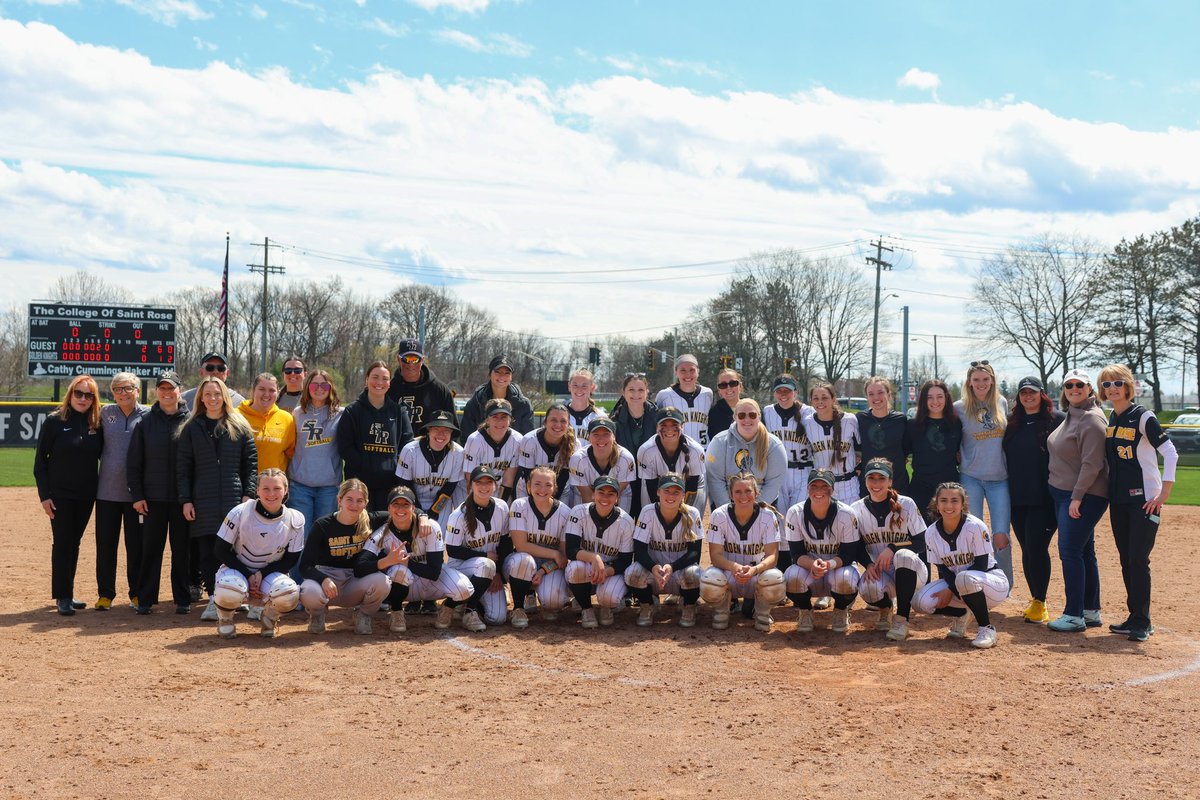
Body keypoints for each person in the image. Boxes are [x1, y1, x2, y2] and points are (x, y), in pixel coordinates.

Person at [1099, 364, 1177, 642]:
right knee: (1125, 559)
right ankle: (1134, 617)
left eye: (1117, 383)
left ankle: (1143, 622)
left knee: (1137, 558)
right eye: (1106, 384)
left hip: (1145, 500)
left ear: (1129, 386)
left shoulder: (1143, 416)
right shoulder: (1111, 416)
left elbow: (1170, 453)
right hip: (1118, 500)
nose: (1112, 388)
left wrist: (1164, 493)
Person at [177, 376, 258, 622]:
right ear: (201, 398)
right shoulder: (191, 427)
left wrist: (249, 493)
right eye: (208, 394)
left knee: (238, 550)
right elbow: (183, 467)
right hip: (203, 499)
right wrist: (186, 500)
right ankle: (214, 599)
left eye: (217, 394)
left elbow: (251, 464)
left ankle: (237, 596)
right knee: (209, 552)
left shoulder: (239, 424)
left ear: (224, 396)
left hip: (235, 498)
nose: (212, 398)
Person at [34, 374, 104, 616]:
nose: (83, 398)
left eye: (88, 395)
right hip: (60, 495)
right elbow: (40, 463)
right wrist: (45, 496)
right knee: (63, 543)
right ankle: (62, 596)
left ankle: (68, 591)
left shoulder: (97, 423)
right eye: (79, 393)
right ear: (70, 394)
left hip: (86, 495)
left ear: (94, 399)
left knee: (73, 543)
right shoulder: (54, 422)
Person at [1046, 369, 1109, 633]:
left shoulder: (1091, 419)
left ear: (1090, 389)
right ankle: (1090, 610)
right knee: (1084, 551)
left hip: (1081, 496)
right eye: (1069, 385)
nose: (1074, 389)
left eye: (1079, 385)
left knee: (1070, 551)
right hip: (1067, 494)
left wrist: (1077, 497)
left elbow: (1092, 463)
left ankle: (1074, 615)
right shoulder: (1074, 415)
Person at [361, 485, 473, 633]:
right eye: (396, 504)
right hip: (408, 584)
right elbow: (360, 566)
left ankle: (448, 608)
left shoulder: (430, 527)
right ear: (389, 508)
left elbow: (434, 573)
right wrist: (387, 561)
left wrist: (407, 562)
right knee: (398, 571)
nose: (401, 509)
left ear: (413, 508)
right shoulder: (382, 534)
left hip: (433, 580)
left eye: (406, 504)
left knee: (464, 589)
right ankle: (396, 611)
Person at [912, 482, 1010, 649]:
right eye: (943, 500)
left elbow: (981, 564)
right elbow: (942, 569)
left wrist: (950, 590)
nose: (948, 505)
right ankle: (962, 613)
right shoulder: (931, 532)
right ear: (937, 504)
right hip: (962, 584)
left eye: (954, 500)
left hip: (990, 583)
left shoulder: (975, 526)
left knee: (964, 578)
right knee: (920, 602)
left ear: (963, 504)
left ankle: (986, 629)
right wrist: (952, 588)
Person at [208, 469, 303, 639]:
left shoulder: (295, 519)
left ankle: (269, 617)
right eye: (265, 488)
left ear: (286, 490)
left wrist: (261, 574)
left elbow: (291, 559)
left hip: (269, 573)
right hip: (237, 569)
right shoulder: (240, 512)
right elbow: (220, 550)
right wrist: (247, 574)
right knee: (229, 589)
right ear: (257, 490)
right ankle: (226, 619)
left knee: (289, 594)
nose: (271, 494)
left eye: (277, 488)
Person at [1002, 376, 1065, 625]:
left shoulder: (1056, 420)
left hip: (1045, 497)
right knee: (1027, 548)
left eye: (1033, 392)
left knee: (1037, 548)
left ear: (1042, 394)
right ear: (1018, 397)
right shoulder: (1012, 423)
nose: (1028, 397)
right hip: (1018, 497)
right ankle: (1036, 600)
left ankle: (1041, 600)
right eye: (1023, 393)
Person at [129, 371, 191, 615]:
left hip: (181, 499)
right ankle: (145, 599)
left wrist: (190, 497)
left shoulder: (191, 421)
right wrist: (137, 495)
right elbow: (133, 463)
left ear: (179, 390)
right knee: (151, 549)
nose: (167, 392)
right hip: (152, 498)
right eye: (162, 388)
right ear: (156, 391)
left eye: (171, 388)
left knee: (182, 550)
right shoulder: (145, 422)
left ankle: (183, 598)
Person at [296, 479, 393, 635]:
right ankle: (317, 615)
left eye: (359, 500)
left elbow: (401, 512)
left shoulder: (371, 520)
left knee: (383, 582)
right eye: (349, 499)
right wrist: (323, 579)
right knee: (308, 590)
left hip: (355, 581)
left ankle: (364, 615)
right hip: (328, 581)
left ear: (365, 503)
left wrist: (422, 517)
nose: (354, 505)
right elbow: (305, 566)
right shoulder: (322, 525)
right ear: (339, 500)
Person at [848, 458, 929, 641]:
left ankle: (902, 620)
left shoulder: (906, 504)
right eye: (872, 478)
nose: (876, 484)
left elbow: (923, 541)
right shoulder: (856, 509)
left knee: (903, 555)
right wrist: (868, 564)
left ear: (890, 481)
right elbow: (856, 545)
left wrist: (893, 547)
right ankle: (885, 608)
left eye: (881, 478)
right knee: (867, 588)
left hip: (912, 572)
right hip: (881, 573)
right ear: (865, 480)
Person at [700, 472, 786, 632]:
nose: (743, 496)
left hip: (756, 576)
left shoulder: (767, 516)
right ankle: (721, 609)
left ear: (756, 493)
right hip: (729, 575)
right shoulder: (719, 515)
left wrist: (755, 570)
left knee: (775, 578)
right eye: (738, 492)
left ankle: (762, 611)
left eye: (748, 491)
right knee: (709, 578)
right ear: (731, 495)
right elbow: (715, 556)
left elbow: (772, 557)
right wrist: (734, 567)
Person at [954, 361, 1013, 588]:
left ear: (992, 381)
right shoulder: (959, 407)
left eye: (985, 379)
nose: (981, 384)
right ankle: (972, 580)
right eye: (976, 380)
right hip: (971, 477)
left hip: (999, 478)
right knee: (973, 532)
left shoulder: (1001, 403)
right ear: (969, 382)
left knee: (1001, 535)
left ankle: (1002, 584)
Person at [94, 372, 149, 610]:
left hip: (136, 496)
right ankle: (105, 594)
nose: (122, 393)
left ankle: (136, 593)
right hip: (106, 493)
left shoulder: (148, 414)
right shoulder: (105, 413)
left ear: (138, 390)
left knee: (135, 546)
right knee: (106, 545)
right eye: (117, 389)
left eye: (127, 388)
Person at [783, 469, 861, 634]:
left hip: (838, 568)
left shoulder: (846, 513)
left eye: (824, 486)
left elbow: (848, 555)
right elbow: (796, 554)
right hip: (809, 570)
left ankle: (841, 610)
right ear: (808, 489)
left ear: (832, 490)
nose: (818, 491)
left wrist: (829, 564)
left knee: (846, 579)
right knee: (791, 577)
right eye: (814, 486)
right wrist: (812, 564)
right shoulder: (795, 513)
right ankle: (805, 611)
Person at [625, 474, 703, 627]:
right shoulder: (647, 512)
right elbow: (639, 549)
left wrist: (672, 567)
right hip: (653, 572)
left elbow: (695, 552)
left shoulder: (692, 513)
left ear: (683, 494)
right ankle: (648, 604)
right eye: (667, 491)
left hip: (679, 573)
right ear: (658, 492)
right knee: (632, 574)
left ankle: (688, 605)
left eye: (676, 492)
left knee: (695, 574)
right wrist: (653, 567)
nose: (671, 496)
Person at [337, 360, 414, 512]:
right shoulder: (352, 411)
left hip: (391, 484)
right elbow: (345, 447)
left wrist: (393, 467)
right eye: (375, 377)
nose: (380, 382)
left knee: (385, 530)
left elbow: (408, 445)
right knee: (361, 530)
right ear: (366, 379)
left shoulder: (398, 411)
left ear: (389, 383)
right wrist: (366, 466)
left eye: (385, 378)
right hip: (360, 485)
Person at [443, 465, 511, 631]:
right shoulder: (459, 514)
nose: (484, 486)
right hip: (460, 568)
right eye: (479, 482)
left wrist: (498, 574)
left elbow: (505, 543)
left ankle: (471, 600)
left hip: (488, 569)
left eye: (488, 482)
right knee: (486, 564)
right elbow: (452, 551)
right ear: (470, 485)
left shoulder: (502, 507)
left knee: (497, 618)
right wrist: (484, 555)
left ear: (495, 486)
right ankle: (466, 608)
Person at [504, 465, 573, 627]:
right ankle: (519, 607)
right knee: (523, 560)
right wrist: (553, 553)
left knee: (553, 601)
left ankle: (546, 596)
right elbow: (521, 546)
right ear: (528, 486)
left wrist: (543, 571)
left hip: (549, 568)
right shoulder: (519, 505)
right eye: (537, 484)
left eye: (548, 485)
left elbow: (562, 557)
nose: (542, 489)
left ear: (555, 488)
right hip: (519, 566)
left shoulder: (565, 512)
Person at [565, 475, 636, 629]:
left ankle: (606, 607)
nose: (605, 497)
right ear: (593, 494)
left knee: (609, 597)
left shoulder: (626, 522)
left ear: (617, 498)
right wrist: (594, 558)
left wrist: (605, 571)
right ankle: (586, 608)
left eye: (611, 494)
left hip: (612, 571)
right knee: (575, 568)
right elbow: (570, 550)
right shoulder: (578, 512)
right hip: (586, 567)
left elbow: (625, 560)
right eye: (601, 492)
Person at [762, 374, 814, 560]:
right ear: (774, 393)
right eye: (779, 391)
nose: (784, 394)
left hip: (802, 472)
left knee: (797, 518)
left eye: (788, 391)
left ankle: (800, 560)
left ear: (796, 392)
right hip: (777, 473)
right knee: (779, 519)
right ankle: (784, 567)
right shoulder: (767, 412)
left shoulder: (809, 412)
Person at [289, 369, 344, 540]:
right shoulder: (297, 413)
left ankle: (320, 568)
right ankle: (298, 568)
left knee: (324, 535)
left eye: (324, 384)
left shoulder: (340, 414)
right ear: (307, 387)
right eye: (314, 384)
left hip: (328, 486)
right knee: (300, 534)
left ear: (331, 387)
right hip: (300, 485)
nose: (319, 388)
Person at [706, 398, 787, 508]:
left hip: (762, 505)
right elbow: (715, 480)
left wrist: (755, 510)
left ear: (759, 417)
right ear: (735, 417)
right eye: (742, 415)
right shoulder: (719, 442)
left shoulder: (774, 445)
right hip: (727, 505)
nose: (747, 419)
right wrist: (729, 510)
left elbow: (773, 483)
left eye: (752, 415)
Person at [396, 409, 466, 528]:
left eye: (446, 430)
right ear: (428, 431)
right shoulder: (410, 450)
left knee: (437, 534)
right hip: (412, 500)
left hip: (441, 503)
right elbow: (405, 485)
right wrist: (419, 512)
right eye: (436, 429)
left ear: (451, 434)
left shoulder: (458, 452)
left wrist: (434, 511)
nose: (441, 434)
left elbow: (449, 488)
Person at [907, 379, 963, 522]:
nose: (935, 401)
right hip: (921, 487)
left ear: (946, 398)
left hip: (949, 489)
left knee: (950, 533)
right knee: (922, 534)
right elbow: (901, 454)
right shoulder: (913, 426)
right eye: (929, 397)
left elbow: (960, 452)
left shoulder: (956, 424)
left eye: (939, 396)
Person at [636, 407, 707, 512]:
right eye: (664, 425)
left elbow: (692, 485)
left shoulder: (695, 450)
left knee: (692, 515)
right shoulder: (646, 450)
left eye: (674, 425)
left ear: (682, 426)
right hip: (656, 489)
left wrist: (683, 512)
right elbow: (651, 487)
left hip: (691, 487)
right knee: (649, 513)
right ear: (656, 427)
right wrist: (662, 513)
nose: (669, 430)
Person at [804, 382, 860, 502]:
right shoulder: (808, 423)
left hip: (849, 484)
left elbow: (861, 447)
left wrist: (859, 464)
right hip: (822, 485)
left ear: (833, 399)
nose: (820, 402)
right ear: (811, 401)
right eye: (816, 398)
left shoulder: (849, 420)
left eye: (824, 398)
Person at [611, 373, 657, 517]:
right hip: (626, 482)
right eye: (631, 390)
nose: (636, 394)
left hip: (652, 479)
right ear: (623, 392)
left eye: (641, 390)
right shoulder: (614, 420)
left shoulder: (658, 417)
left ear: (647, 392)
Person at [515, 403, 579, 506]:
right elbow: (528, 476)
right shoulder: (529, 440)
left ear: (568, 425)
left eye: (563, 421)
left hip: (560, 490)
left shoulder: (574, 444)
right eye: (553, 420)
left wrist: (551, 505)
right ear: (545, 422)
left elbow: (563, 478)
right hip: (528, 489)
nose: (558, 425)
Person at [459, 356, 536, 440]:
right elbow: (466, 438)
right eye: (497, 372)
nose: (502, 376)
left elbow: (528, 440)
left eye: (507, 373)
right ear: (489, 374)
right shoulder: (476, 402)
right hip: (481, 452)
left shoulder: (523, 404)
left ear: (511, 377)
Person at [856, 376, 910, 498]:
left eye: (880, 392)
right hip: (869, 485)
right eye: (871, 394)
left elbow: (907, 449)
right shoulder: (860, 419)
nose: (876, 397)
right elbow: (856, 447)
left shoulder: (900, 420)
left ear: (889, 394)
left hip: (897, 484)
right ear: (867, 397)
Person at [386, 338, 455, 430]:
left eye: (415, 359)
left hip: (428, 444)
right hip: (397, 444)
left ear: (422, 360)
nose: (410, 364)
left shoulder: (439, 390)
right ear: (399, 359)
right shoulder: (389, 389)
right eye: (406, 359)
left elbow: (452, 428)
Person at [462, 398, 523, 502]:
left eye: (504, 417)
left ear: (510, 420)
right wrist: (479, 503)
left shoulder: (517, 440)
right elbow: (470, 478)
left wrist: (499, 505)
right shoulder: (475, 440)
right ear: (487, 420)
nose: (499, 421)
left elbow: (508, 480)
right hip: (475, 489)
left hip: (501, 490)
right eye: (495, 417)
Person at [570, 417, 636, 510]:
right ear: (589, 437)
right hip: (586, 499)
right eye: (596, 434)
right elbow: (587, 496)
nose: (601, 438)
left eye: (606, 434)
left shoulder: (625, 458)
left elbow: (615, 495)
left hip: (618, 499)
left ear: (614, 437)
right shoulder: (578, 459)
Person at [237, 372, 296, 473]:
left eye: (272, 390)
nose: (266, 394)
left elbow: (291, 454)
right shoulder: (236, 416)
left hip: (272, 485)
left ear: (277, 393)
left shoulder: (287, 419)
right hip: (243, 483)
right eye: (262, 389)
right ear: (253, 390)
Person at [654, 354, 713, 447]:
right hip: (676, 451)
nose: (688, 374)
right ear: (676, 372)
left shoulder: (707, 394)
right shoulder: (664, 395)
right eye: (683, 370)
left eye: (692, 370)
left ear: (698, 372)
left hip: (704, 451)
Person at [180, 352, 245, 408]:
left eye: (221, 368)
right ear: (201, 372)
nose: (216, 372)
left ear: (227, 373)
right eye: (210, 368)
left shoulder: (240, 403)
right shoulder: (184, 400)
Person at [565, 368, 607, 440]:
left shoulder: (600, 417)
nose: (579, 389)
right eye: (575, 385)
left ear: (592, 388)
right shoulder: (560, 415)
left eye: (584, 386)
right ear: (569, 386)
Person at [707, 367, 743, 444]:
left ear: (740, 386)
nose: (728, 388)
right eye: (723, 385)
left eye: (733, 383)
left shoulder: (752, 408)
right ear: (719, 390)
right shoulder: (714, 413)